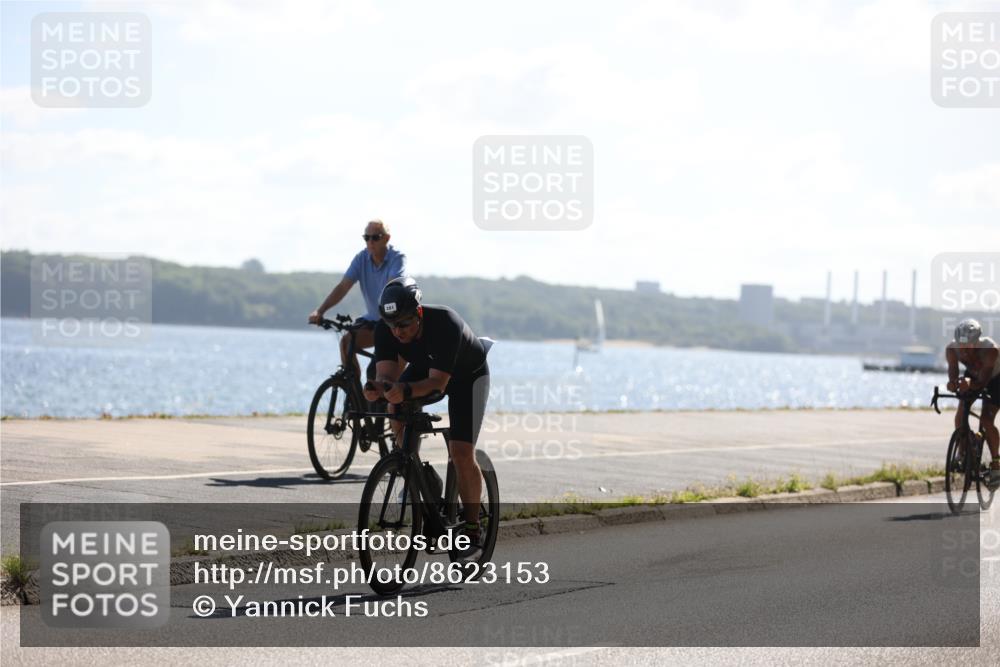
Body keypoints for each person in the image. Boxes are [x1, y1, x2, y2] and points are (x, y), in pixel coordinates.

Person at [362, 277, 490, 555]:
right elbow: (387, 376)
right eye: (392, 325)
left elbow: (437, 385)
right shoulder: (388, 329)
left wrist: (402, 390)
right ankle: (418, 472)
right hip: (427, 368)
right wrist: (378, 388)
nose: (397, 332)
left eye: (404, 324)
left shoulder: (445, 323)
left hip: (467, 378)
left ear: (418, 313)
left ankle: (472, 527)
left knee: (460, 452)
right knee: (394, 407)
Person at [308, 219, 407, 381]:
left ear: (386, 239)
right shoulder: (361, 259)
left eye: (375, 237)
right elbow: (343, 287)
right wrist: (320, 311)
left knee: (375, 373)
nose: (370, 242)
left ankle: (378, 401)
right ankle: (355, 399)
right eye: (366, 238)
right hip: (373, 321)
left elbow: (392, 286)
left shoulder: (397, 258)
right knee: (347, 343)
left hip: (393, 324)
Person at [946, 318, 1000, 490]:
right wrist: (953, 383)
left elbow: (983, 381)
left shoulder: (990, 350)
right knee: (960, 416)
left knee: (986, 419)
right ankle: (963, 453)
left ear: (977, 342)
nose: (964, 350)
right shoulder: (952, 350)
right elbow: (953, 372)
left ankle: (996, 464)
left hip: (995, 379)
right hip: (973, 375)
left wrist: (969, 383)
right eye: (961, 346)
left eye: (969, 346)